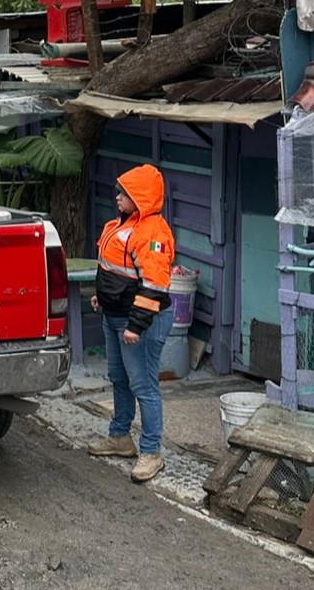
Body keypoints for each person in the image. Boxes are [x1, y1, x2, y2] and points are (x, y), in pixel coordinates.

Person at [87, 164, 176, 483]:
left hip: (139, 323)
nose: (117, 196)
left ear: (139, 198)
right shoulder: (119, 225)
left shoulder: (152, 233)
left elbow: (154, 286)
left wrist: (135, 326)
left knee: (144, 385)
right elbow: (114, 271)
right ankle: (120, 437)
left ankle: (151, 452)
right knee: (119, 379)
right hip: (116, 316)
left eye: (124, 193)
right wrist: (102, 298)